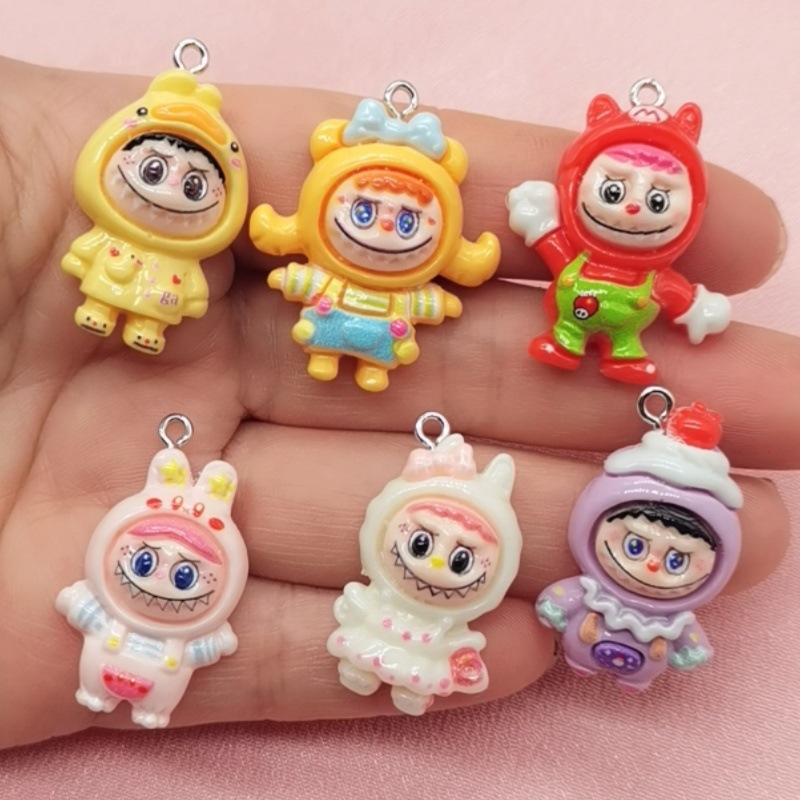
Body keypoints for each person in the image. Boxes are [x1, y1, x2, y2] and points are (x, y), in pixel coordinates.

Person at [0, 54, 793, 750]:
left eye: (407, 219)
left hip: (425, 337)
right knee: (218, 319)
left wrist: (685, 303)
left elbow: (458, 288)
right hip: (309, 316)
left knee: (386, 360)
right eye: (363, 211)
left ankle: (589, 350)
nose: (383, 229)